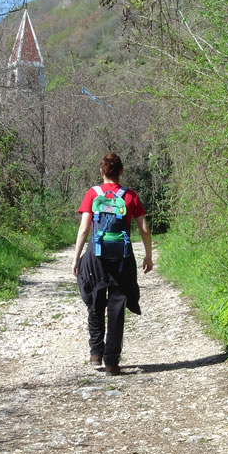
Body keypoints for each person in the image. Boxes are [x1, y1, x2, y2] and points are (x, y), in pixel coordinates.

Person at [72, 153, 153, 376]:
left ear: (102, 172)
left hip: (95, 257)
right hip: (122, 258)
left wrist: (76, 257)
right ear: (121, 171)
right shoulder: (130, 196)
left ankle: (95, 353)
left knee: (96, 301)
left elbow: (84, 229)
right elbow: (144, 229)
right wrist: (148, 255)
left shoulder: (93, 194)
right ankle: (111, 362)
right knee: (117, 307)